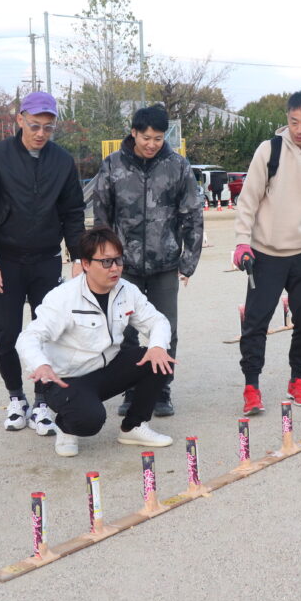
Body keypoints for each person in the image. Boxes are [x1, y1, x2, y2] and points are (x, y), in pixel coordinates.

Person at [0, 90, 85, 434]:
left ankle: (43, 401)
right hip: (5, 261)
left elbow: (73, 213)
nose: (41, 134)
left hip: (46, 261)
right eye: (35, 126)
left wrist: (77, 256)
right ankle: (16, 397)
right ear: (19, 120)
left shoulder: (62, 161)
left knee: (48, 333)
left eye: (48, 128)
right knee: (6, 334)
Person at [16, 226, 175, 457]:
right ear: (86, 264)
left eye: (118, 260)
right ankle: (65, 426)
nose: (115, 268)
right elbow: (28, 337)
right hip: (65, 379)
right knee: (90, 420)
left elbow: (157, 321)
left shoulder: (126, 290)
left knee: (160, 360)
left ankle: (134, 426)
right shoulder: (64, 297)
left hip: (106, 368)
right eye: (106, 262)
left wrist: (158, 345)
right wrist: (40, 365)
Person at [232, 90, 301, 415]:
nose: (299, 129)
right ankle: (251, 386)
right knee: (255, 324)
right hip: (265, 254)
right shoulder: (269, 151)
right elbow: (248, 201)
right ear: (287, 119)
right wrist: (242, 243)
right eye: (294, 122)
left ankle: (298, 379)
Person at [89, 104, 203, 417]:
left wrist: (188, 260)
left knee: (165, 328)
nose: (152, 143)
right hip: (123, 267)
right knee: (123, 330)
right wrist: (101, 261)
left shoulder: (177, 165)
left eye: (158, 138)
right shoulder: (112, 166)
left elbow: (192, 214)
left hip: (164, 264)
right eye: (146, 137)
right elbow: (101, 217)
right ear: (134, 133)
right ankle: (130, 388)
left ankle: (161, 389)